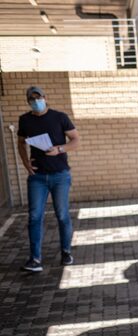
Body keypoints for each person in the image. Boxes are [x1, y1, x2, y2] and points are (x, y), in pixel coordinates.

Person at [17, 86, 80, 272]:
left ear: (45, 97)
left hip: (60, 175)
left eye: (38, 97)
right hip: (37, 177)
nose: (35, 101)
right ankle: (35, 259)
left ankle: (66, 252)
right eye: (32, 99)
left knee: (62, 215)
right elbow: (20, 143)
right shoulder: (25, 120)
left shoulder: (59, 117)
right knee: (34, 217)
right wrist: (25, 163)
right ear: (28, 101)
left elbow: (76, 140)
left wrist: (59, 149)